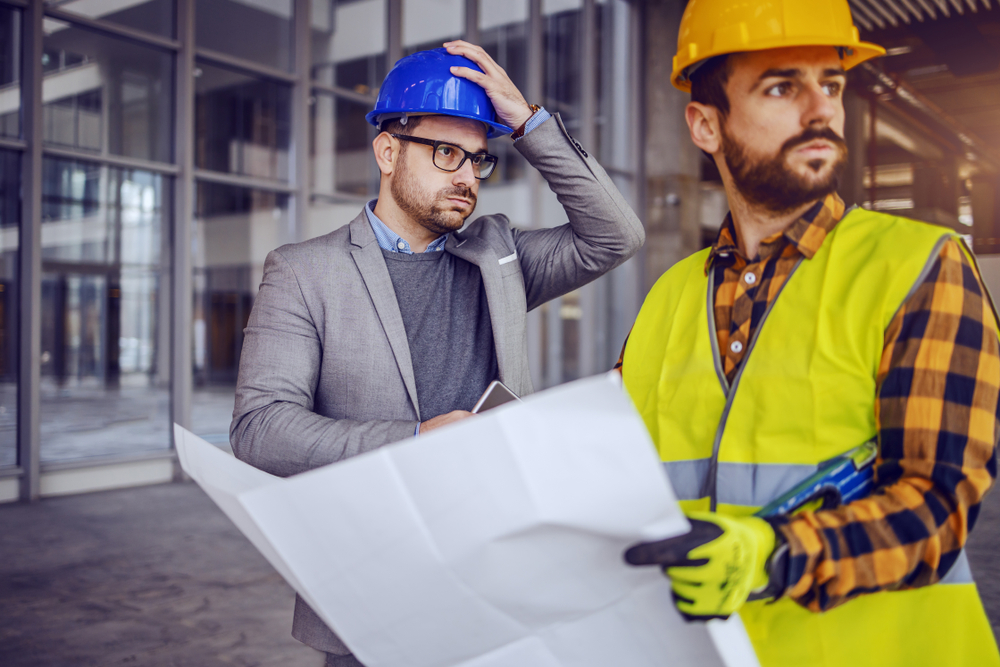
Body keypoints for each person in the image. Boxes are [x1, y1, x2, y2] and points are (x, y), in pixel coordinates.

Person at [230, 42, 643, 666]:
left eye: (479, 159)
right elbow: (260, 429)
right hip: (371, 586)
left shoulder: (499, 255)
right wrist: (417, 439)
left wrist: (529, 122)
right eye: (446, 153)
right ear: (387, 151)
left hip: (497, 575)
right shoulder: (303, 273)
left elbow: (616, 235)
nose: (466, 175)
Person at [618, 1, 1000, 665]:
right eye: (781, 86)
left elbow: (936, 508)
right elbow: (613, 485)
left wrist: (775, 555)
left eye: (831, 84)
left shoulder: (919, 266)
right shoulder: (666, 300)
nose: (820, 110)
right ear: (706, 124)